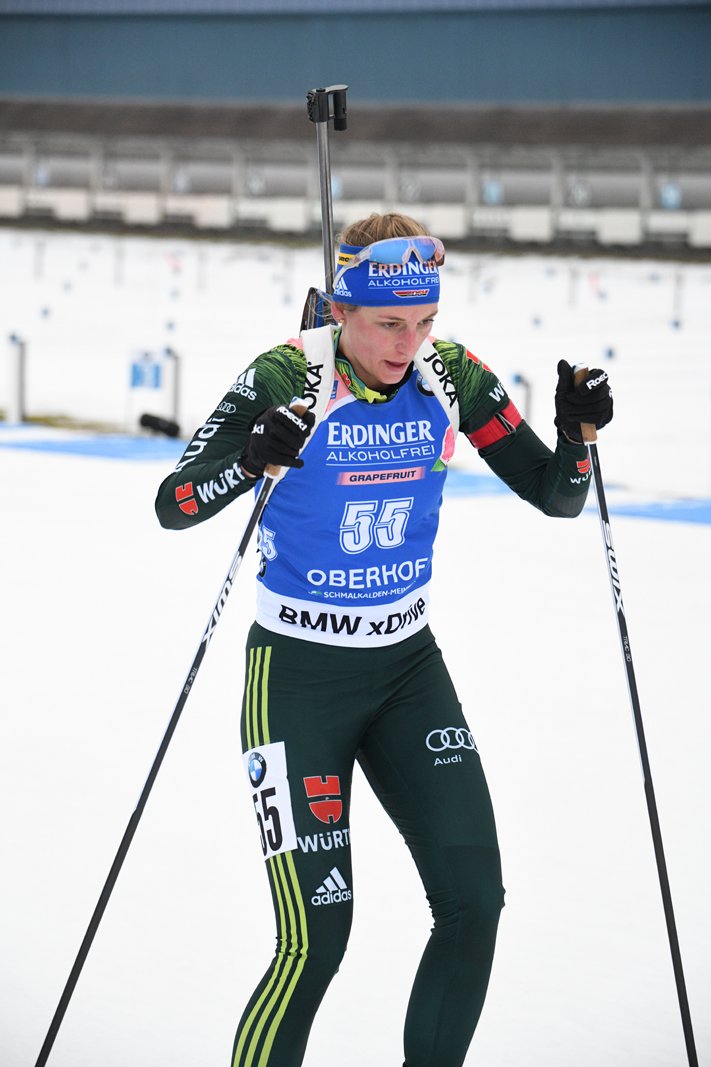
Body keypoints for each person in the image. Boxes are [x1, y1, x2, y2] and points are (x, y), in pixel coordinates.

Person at [155, 212, 613, 1067]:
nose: (409, 344)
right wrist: (251, 459)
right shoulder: (287, 374)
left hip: (406, 670)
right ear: (341, 310)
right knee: (316, 938)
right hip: (297, 678)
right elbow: (173, 504)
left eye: (425, 320)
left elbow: (556, 496)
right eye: (389, 323)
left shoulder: (450, 373)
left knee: (474, 903)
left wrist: (576, 435)